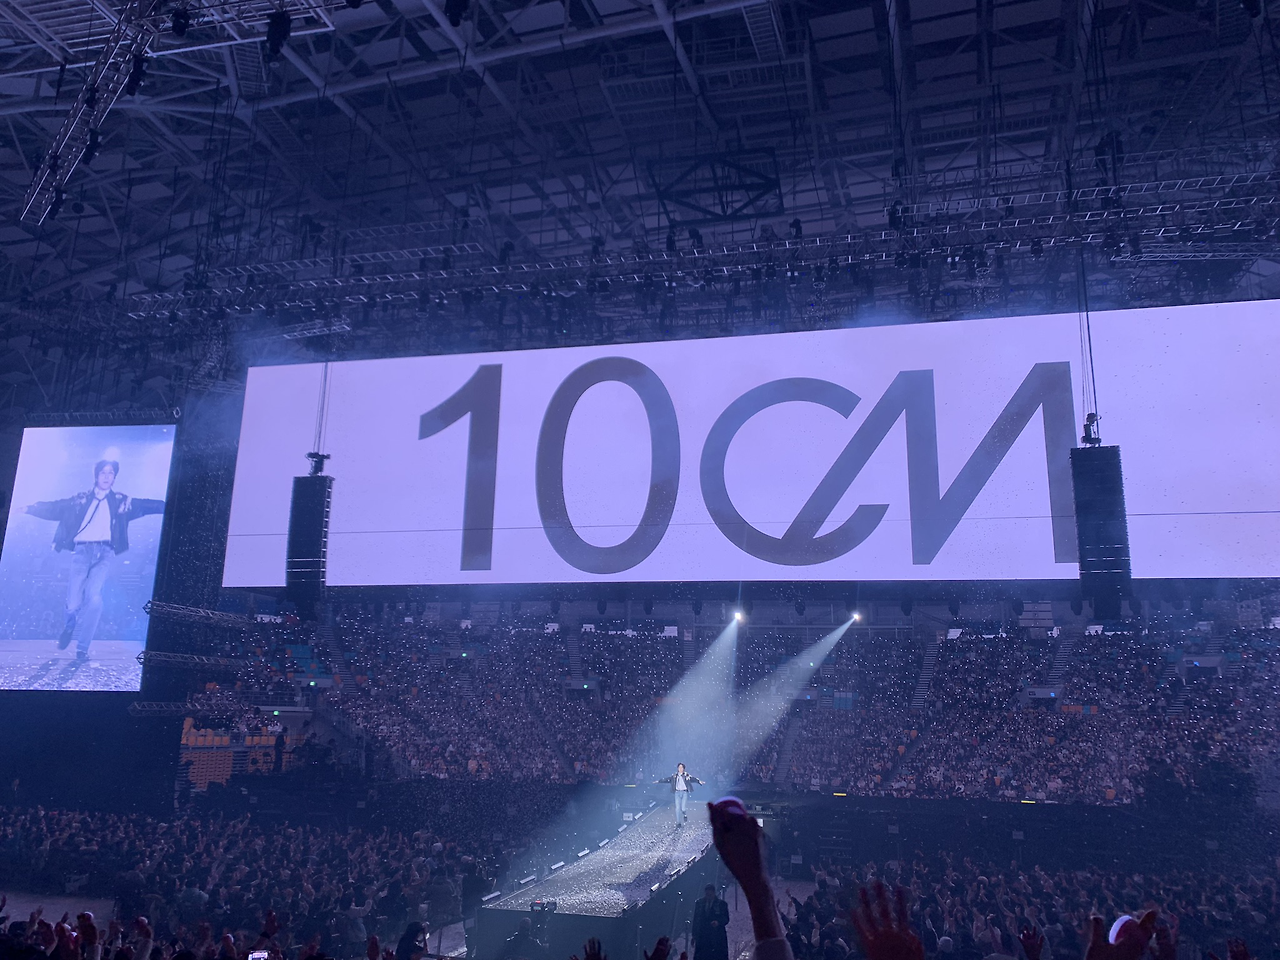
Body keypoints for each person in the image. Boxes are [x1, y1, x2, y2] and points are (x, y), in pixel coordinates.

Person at [24, 459, 165, 658]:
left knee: (95, 599)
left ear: (114, 477)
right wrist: (29, 508)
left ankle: (82, 648)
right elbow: (56, 507)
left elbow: (145, 505)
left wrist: (168, 505)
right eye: (103, 473)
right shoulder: (80, 500)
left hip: (104, 553)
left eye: (110, 473)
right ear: (96, 476)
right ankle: (70, 624)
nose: (107, 476)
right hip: (82, 552)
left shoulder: (121, 501)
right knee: (73, 602)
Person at [654, 762, 704, 828]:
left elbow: (693, 779)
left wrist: (699, 781)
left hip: (684, 793)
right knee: (677, 808)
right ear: (677, 768)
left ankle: (685, 815)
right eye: (679, 767)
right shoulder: (674, 776)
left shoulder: (686, 775)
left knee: (683, 808)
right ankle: (678, 823)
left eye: (681, 767)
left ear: (683, 768)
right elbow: (667, 779)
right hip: (677, 793)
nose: (680, 769)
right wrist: (659, 781)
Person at [691, 884, 730, 960]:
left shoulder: (722, 904)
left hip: (717, 938)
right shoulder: (699, 904)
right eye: (707, 893)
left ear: (714, 892)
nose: (708, 895)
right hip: (702, 937)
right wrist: (694, 935)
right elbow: (696, 920)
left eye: (710, 893)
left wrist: (718, 922)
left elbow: (726, 918)